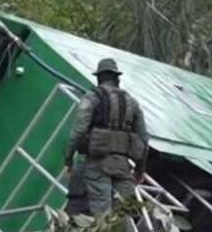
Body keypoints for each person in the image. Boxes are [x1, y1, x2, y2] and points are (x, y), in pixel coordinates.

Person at [63, 57, 149, 216]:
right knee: (123, 215)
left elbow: (78, 131)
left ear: (98, 78)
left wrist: (68, 159)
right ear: (117, 78)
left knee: (102, 215)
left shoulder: (92, 97)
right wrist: (139, 170)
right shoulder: (133, 103)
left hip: (97, 164)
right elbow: (144, 139)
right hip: (122, 166)